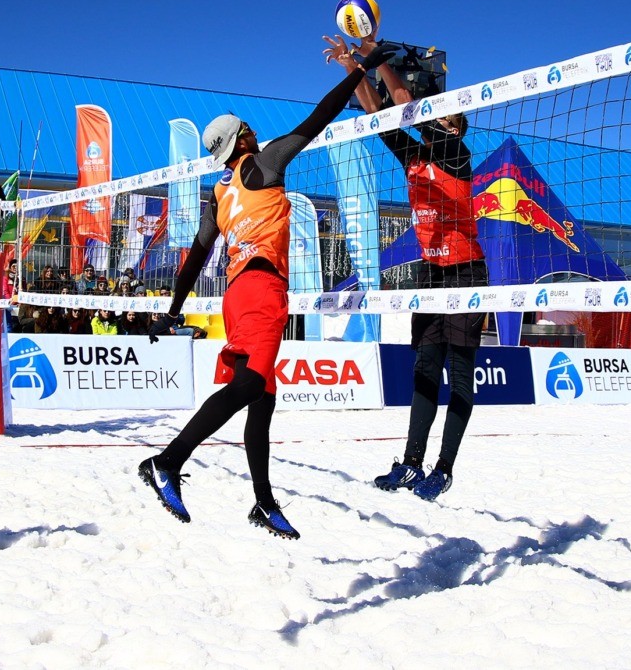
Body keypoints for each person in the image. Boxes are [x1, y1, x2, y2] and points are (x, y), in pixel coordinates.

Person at [138, 41, 397, 538]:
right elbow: (318, 118)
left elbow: (196, 255)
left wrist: (173, 307)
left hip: (237, 293)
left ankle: (263, 503)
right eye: (247, 129)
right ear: (239, 140)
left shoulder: (219, 191)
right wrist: (362, 67)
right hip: (260, 290)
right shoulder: (262, 164)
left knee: (263, 401)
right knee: (250, 387)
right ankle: (167, 462)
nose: (254, 130)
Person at [330, 34, 486, 501]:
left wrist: (375, 57)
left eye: (443, 114)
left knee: (458, 376)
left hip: (466, 274)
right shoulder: (414, 156)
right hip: (431, 272)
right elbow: (382, 112)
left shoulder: (457, 155)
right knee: (424, 371)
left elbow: (400, 100)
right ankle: (412, 464)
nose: (434, 114)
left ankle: (444, 468)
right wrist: (352, 67)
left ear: (454, 126)